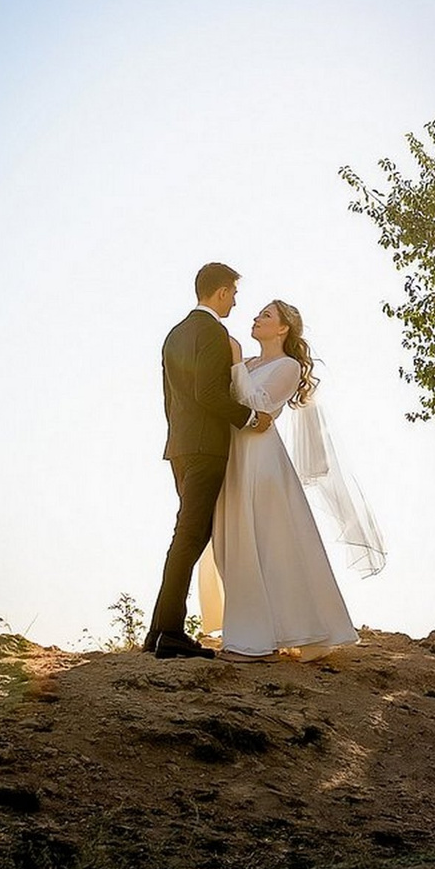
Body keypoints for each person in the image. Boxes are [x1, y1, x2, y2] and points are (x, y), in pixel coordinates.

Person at [196, 299, 374, 660]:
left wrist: (233, 363)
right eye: (259, 313)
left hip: (261, 462)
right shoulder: (247, 363)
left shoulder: (288, 367)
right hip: (233, 456)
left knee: (262, 540)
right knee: (231, 540)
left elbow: (258, 404)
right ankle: (250, 627)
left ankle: (257, 638)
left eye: (266, 315)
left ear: (283, 329)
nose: (257, 318)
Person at [146, 262, 263, 658]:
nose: (236, 301)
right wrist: (249, 417)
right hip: (205, 448)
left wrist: (179, 436)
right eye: (234, 292)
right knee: (191, 536)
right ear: (222, 292)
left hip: (179, 446)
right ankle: (171, 633)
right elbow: (209, 392)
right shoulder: (214, 332)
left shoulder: (174, 335)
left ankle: (158, 632)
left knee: (188, 535)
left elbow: (170, 400)